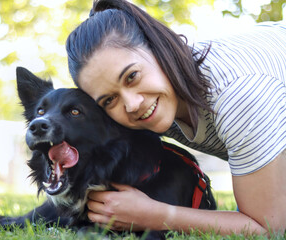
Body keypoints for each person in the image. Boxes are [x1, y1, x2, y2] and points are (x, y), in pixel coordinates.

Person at [65, 0, 286, 236]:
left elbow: (268, 227)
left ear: (158, 48)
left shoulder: (237, 92)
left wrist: (159, 215)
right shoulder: (159, 98)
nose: (132, 104)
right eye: (109, 100)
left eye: (132, 76)